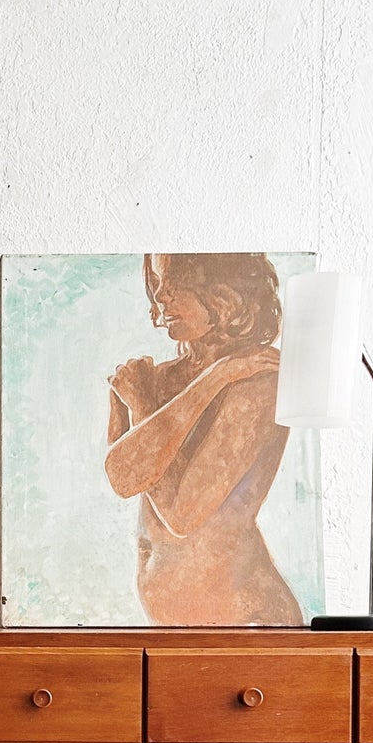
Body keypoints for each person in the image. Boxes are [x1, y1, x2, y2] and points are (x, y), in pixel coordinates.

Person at [104, 252, 303, 626]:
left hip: (247, 622)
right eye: (157, 283)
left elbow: (182, 514)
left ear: (225, 294)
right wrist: (212, 378)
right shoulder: (154, 380)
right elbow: (122, 479)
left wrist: (145, 405)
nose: (162, 297)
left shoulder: (259, 381)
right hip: (173, 629)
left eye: (177, 282)